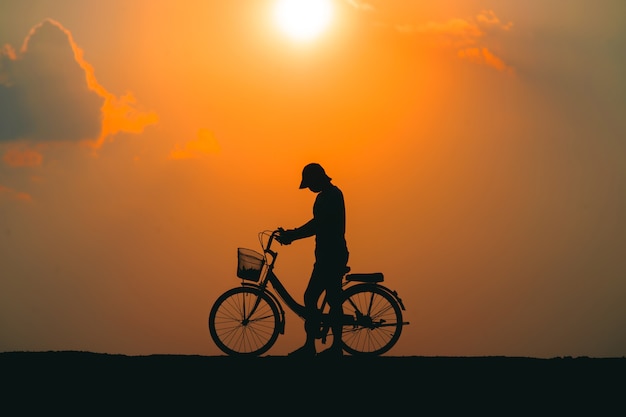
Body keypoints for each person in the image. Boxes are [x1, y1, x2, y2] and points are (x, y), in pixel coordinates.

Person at [277, 163, 349, 358]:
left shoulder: (332, 196)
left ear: (318, 179)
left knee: (318, 297)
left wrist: (293, 235)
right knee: (324, 297)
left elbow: (318, 225)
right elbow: (316, 225)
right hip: (326, 255)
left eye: (310, 184)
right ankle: (321, 346)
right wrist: (294, 234)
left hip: (332, 255)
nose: (309, 188)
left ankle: (326, 347)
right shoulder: (324, 196)